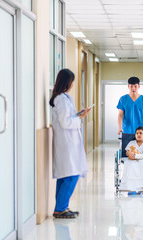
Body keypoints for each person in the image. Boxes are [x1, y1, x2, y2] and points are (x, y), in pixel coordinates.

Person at [49, 69, 91, 218]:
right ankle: (60, 209)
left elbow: (67, 117)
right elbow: (65, 122)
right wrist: (78, 120)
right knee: (71, 175)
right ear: (67, 82)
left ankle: (62, 207)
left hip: (68, 142)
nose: (73, 83)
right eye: (72, 80)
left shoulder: (64, 97)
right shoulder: (61, 99)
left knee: (65, 175)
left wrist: (79, 114)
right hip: (66, 143)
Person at [120, 127, 143, 192]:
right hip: (132, 159)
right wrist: (130, 155)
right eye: (137, 133)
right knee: (129, 164)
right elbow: (128, 152)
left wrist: (135, 156)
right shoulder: (132, 143)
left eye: (141, 133)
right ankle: (130, 185)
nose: (138, 135)